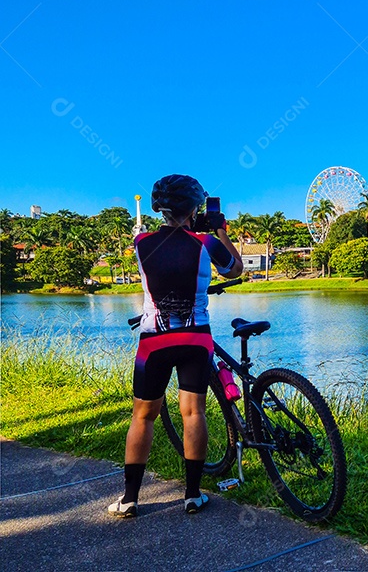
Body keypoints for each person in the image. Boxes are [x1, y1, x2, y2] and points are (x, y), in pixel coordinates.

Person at [109, 174, 243, 518]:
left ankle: (129, 499)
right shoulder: (205, 243)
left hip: (154, 341)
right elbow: (234, 269)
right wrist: (219, 231)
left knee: (143, 416)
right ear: (194, 209)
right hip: (196, 339)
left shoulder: (141, 243)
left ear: (161, 209)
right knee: (193, 413)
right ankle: (192, 495)